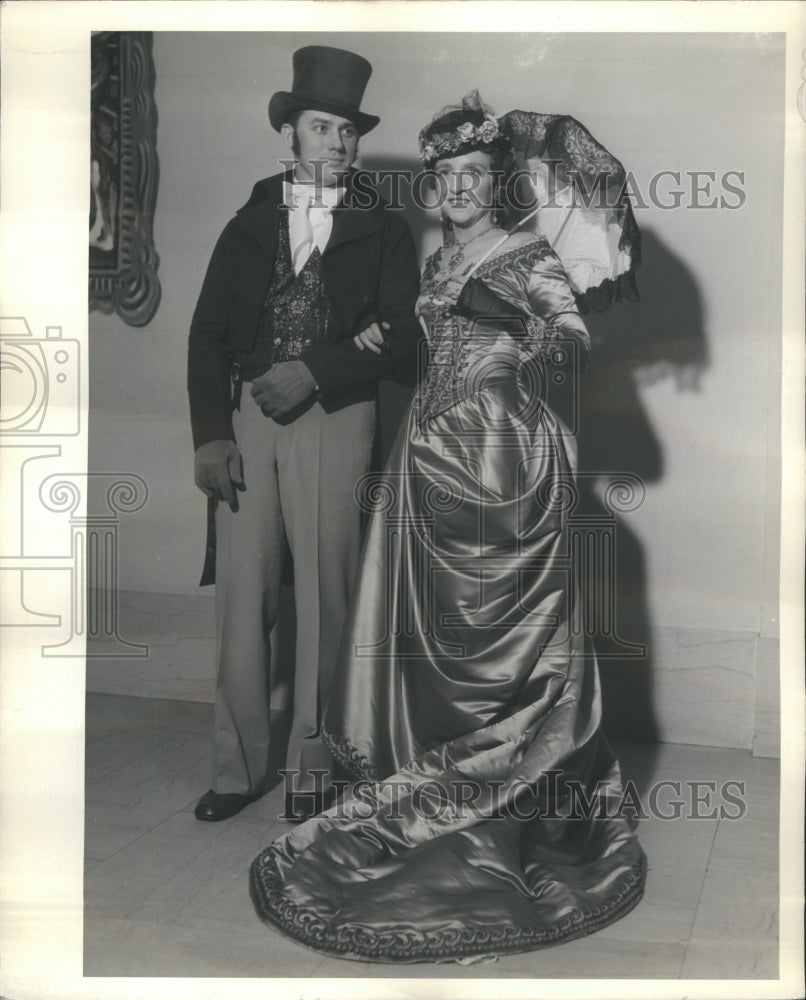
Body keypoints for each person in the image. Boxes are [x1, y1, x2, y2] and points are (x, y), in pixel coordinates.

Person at [250, 92, 645, 962]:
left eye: (474, 175)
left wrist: (518, 328)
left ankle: (509, 797)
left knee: (496, 646)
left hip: (500, 460)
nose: (459, 189)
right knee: (423, 644)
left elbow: (575, 343)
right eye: (446, 178)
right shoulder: (431, 261)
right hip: (423, 459)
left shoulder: (528, 253)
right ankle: (426, 781)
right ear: (431, 190)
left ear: (495, 186)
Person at [187, 46, 422, 823]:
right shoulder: (247, 222)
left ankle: (316, 767)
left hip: (338, 413)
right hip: (249, 414)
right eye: (321, 127)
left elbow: (398, 337)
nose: (337, 143)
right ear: (291, 133)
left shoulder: (386, 229)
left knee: (329, 585)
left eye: (348, 131)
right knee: (243, 595)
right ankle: (236, 767)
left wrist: (317, 372)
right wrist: (212, 434)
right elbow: (208, 336)